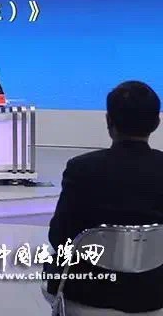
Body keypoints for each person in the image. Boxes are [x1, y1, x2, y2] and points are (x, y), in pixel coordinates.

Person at [45, 81, 163, 314]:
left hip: (88, 292)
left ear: (109, 121)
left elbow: (59, 237)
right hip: (153, 294)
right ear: (156, 122)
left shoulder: (81, 169)